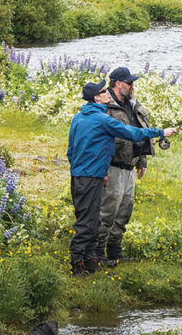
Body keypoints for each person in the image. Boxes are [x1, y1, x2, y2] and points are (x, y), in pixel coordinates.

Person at [66, 80, 176, 275]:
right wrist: (161, 132)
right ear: (97, 98)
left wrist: (88, 171)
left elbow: (71, 151)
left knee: (91, 220)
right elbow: (131, 133)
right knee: (87, 223)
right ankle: (77, 265)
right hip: (89, 177)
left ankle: (91, 261)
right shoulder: (102, 120)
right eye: (103, 91)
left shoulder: (79, 117)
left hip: (80, 177)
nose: (107, 92)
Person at [98, 66, 153, 265]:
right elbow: (100, 141)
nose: (132, 86)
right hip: (111, 167)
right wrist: (101, 170)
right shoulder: (104, 106)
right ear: (119, 83)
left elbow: (142, 132)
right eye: (129, 83)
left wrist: (142, 160)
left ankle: (114, 251)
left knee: (124, 212)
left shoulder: (133, 104)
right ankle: (98, 254)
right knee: (107, 212)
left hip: (130, 167)